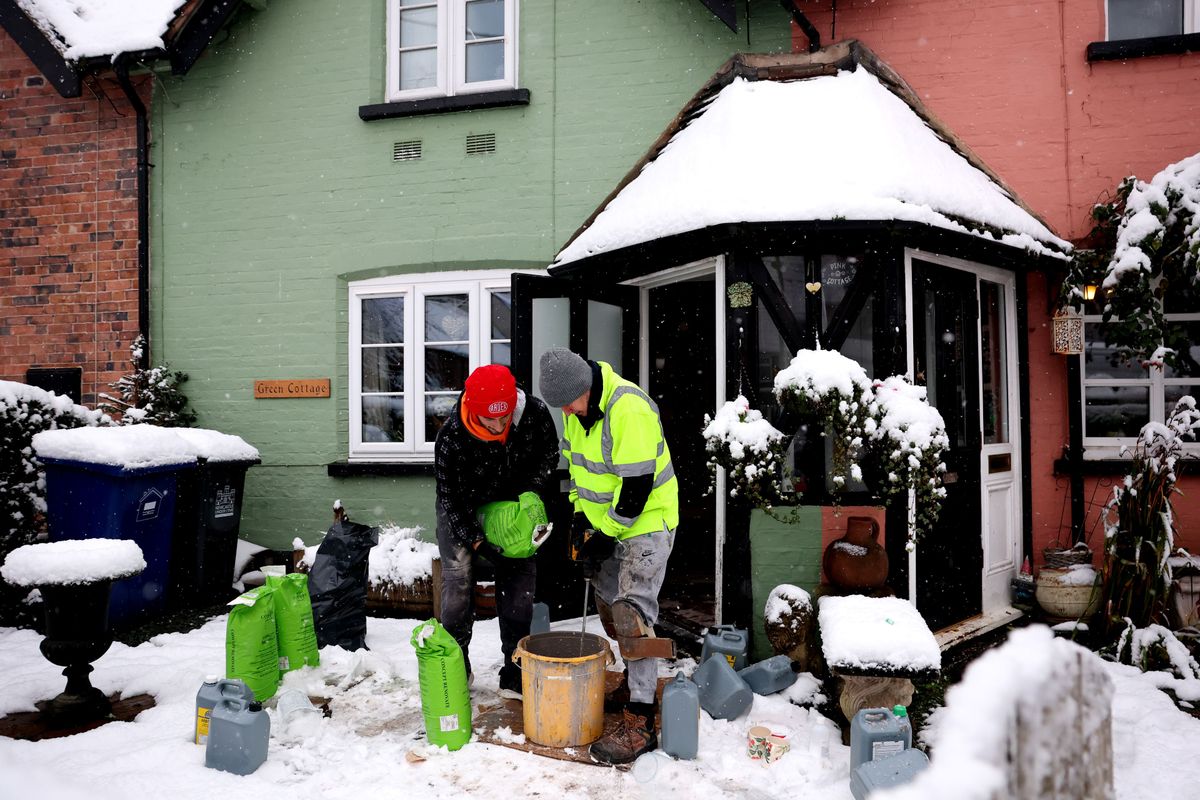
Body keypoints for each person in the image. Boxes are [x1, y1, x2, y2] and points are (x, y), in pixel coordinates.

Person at [538, 346, 679, 765]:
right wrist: (582, 523)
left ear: (586, 386)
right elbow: (581, 475)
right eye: (560, 405)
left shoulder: (628, 409)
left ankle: (641, 717)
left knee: (631, 615)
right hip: (607, 525)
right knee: (605, 602)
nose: (566, 410)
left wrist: (604, 535)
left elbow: (635, 492)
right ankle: (633, 678)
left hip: (646, 523)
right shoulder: (573, 411)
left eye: (569, 401)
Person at [434, 364, 559, 700]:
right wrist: (476, 539)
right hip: (465, 504)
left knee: (520, 583)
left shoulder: (533, 413)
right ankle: (457, 661)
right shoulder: (452, 436)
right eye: (491, 420)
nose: (499, 425)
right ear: (474, 410)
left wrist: (529, 493)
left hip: (513, 505)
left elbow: (550, 453)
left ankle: (514, 669)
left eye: (504, 418)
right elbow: (450, 498)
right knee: (458, 580)